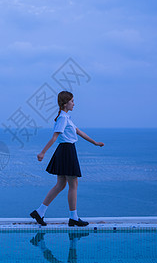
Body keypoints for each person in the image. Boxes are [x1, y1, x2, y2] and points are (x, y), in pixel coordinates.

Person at [30, 91, 104, 227]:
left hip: (65, 151)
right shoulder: (63, 119)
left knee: (61, 185)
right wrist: (42, 153)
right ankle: (73, 217)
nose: (74, 104)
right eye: (72, 101)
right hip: (67, 151)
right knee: (73, 185)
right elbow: (54, 137)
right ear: (65, 104)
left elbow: (79, 132)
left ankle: (40, 212)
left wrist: (95, 143)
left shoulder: (66, 117)